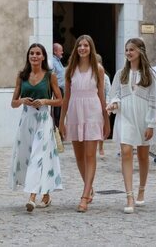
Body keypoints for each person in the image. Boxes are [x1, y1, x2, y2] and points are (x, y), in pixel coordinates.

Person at [59, 35, 110, 212]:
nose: (82, 48)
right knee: (79, 156)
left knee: (90, 155)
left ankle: (84, 195)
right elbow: (66, 98)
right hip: (74, 111)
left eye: (86, 45)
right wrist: (61, 121)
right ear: (76, 49)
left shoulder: (98, 69)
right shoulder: (69, 70)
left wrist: (106, 119)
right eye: (79, 45)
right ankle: (89, 188)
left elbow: (102, 96)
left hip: (93, 111)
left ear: (91, 48)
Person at [9, 43, 63, 212]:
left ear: (43, 57)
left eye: (38, 53)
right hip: (26, 120)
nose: (34, 56)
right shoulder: (22, 76)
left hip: (43, 119)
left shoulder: (50, 76)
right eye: (31, 53)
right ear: (28, 56)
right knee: (28, 155)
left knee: (37, 156)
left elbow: (60, 100)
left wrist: (46, 101)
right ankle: (46, 194)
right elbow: (13, 103)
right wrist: (22, 101)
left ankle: (32, 196)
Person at [107, 37, 156, 214]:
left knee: (143, 156)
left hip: (144, 117)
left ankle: (141, 190)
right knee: (126, 153)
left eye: (132, 50)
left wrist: (151, 123)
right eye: (127, 50)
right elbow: (114, 95)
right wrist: (114, 103)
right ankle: (129, 196)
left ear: (140, 52)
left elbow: (153, 100)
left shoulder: (149, 75)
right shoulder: (121, 73)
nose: (128, 53)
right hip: (126, 116)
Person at [96, 53, 111, 156]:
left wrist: (107, 105)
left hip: (102, 103)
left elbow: (108, 91)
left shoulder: (105, 77)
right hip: (91, 103)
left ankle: (101, 146)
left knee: (101, 126)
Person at [53, 43, 65, 127]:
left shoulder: (58, 61)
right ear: (55, 51)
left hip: (61, 90)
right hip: (56, 90)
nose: (62, 52)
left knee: (60, 111)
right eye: (60, 50)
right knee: (57, 112)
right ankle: (57, 132)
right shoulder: (53, 62)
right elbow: (52, 76)